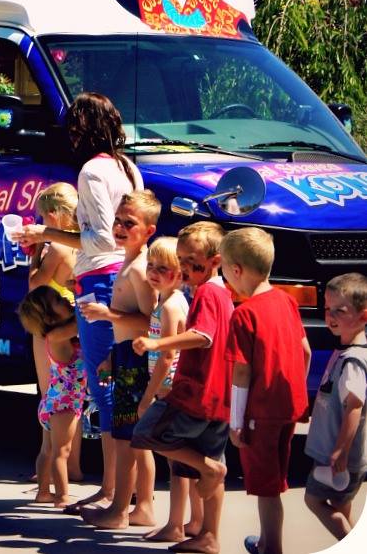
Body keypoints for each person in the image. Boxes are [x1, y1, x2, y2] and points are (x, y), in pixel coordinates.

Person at [14, 92, 143, 512]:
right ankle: (122, 493)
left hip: (99, 281)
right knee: (125, 388)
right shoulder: (128, 168)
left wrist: (45, 234)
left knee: (106, 389)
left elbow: (102, 237)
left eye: (73, 127)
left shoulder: (90, 171)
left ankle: (112, 495)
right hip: (124, 274)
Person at [131, 221, 233, 554]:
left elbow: (202, 337)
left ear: (215, 261)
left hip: (196, 392)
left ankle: (208, 470)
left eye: (194, 262)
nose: (187, 268)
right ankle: (209, 535)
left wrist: (158, 344)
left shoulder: (206, 293)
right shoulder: (223, 293)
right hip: (220, 395)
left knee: (146, 434)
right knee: (202, 458)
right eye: (183, 260)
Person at [220, 227, 310, 554]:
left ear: (237, 270)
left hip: (260, 412)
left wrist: (235, 422)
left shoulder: (244, 314)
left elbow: (241, 370)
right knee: (275, 484)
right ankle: (267, 542)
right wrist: (297, 394)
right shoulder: (286, 301)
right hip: (289, 407)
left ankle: (272, 547)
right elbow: (305, 351)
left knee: (266, 489)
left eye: (225, 271)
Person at [79, 190, 159, 530]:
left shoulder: (140, 271)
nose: (120, 227)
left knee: (128, 440)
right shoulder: (127, 263)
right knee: (135, 440)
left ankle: (120, 511)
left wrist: (105, 314)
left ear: (149, 231)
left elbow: (148, 322)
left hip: (137, 361)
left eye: (130, 223)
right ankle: (143, 508)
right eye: (117, 221)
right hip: (124, 357)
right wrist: (112, 354)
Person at [16, 183, 82, 483]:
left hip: (49, 326)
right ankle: (73, 465)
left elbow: (35, 285)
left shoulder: (55, 246)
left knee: (51, 397)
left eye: (41, 217)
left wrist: (36, 249)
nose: (39, 222)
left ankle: (51, 466)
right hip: (71, 323)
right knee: (74, 400)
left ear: (54, 215)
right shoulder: (79, 242)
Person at [136, 237, 200, 544]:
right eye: (151, 265)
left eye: (164, 268)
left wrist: (149, 396)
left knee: (177, 460)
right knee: (186, 459)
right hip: (172, 388)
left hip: (169, 390)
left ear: (180, 274)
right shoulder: (165, 302)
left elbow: (167, 356)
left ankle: (175, 524)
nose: (154, 272)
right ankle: (196, 520)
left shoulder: (172, 306)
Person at [303, 272, 367, 542]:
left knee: (313, 499)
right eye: (328, 308)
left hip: (340, 456)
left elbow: (354, 407)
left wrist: (340, 450)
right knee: (340, 507)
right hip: (342, 456)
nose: (331, 316)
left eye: (340, 311)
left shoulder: (353, 360)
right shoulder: (346, 351)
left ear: (364, 316)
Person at [18, 285, 86, 506]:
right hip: (64, 403)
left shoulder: (54, 333)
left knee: (47, 450)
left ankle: (43, 492)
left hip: (52, 401)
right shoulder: (58, 335)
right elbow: (82, 322)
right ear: (49, 316)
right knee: (61, 452)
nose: (64, 299)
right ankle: (62, 496)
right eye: (58, 299)